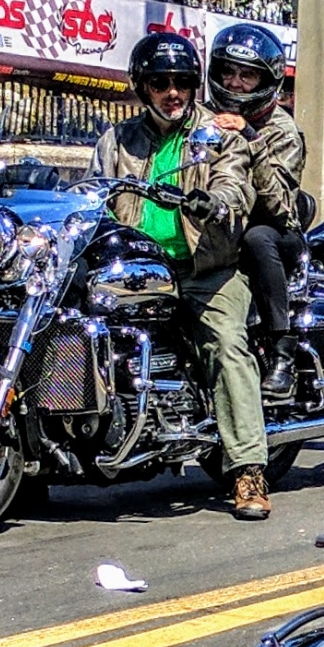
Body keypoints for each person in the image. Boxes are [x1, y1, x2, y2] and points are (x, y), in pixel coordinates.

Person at [92, 32, 272, 519]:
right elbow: (91, 197)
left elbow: (236, 186)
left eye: (182, 82)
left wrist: (217, 202)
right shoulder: (116, 141)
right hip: (135, 270)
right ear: (142, 86)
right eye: (159, 82)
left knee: (225, 342)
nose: (172, 92)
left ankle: (248, 471)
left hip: (204, 270)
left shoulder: (217, 135)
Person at [208, 22, 308, 399]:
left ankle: (282, 350)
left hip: (275, 229)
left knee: (257, 238)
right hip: (216, 222)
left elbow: (280, 206)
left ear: (266, 79)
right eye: (228, 72)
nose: (234, 83)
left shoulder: (282, 130)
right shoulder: (205, 118)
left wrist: (250, 138)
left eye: (246, 75)